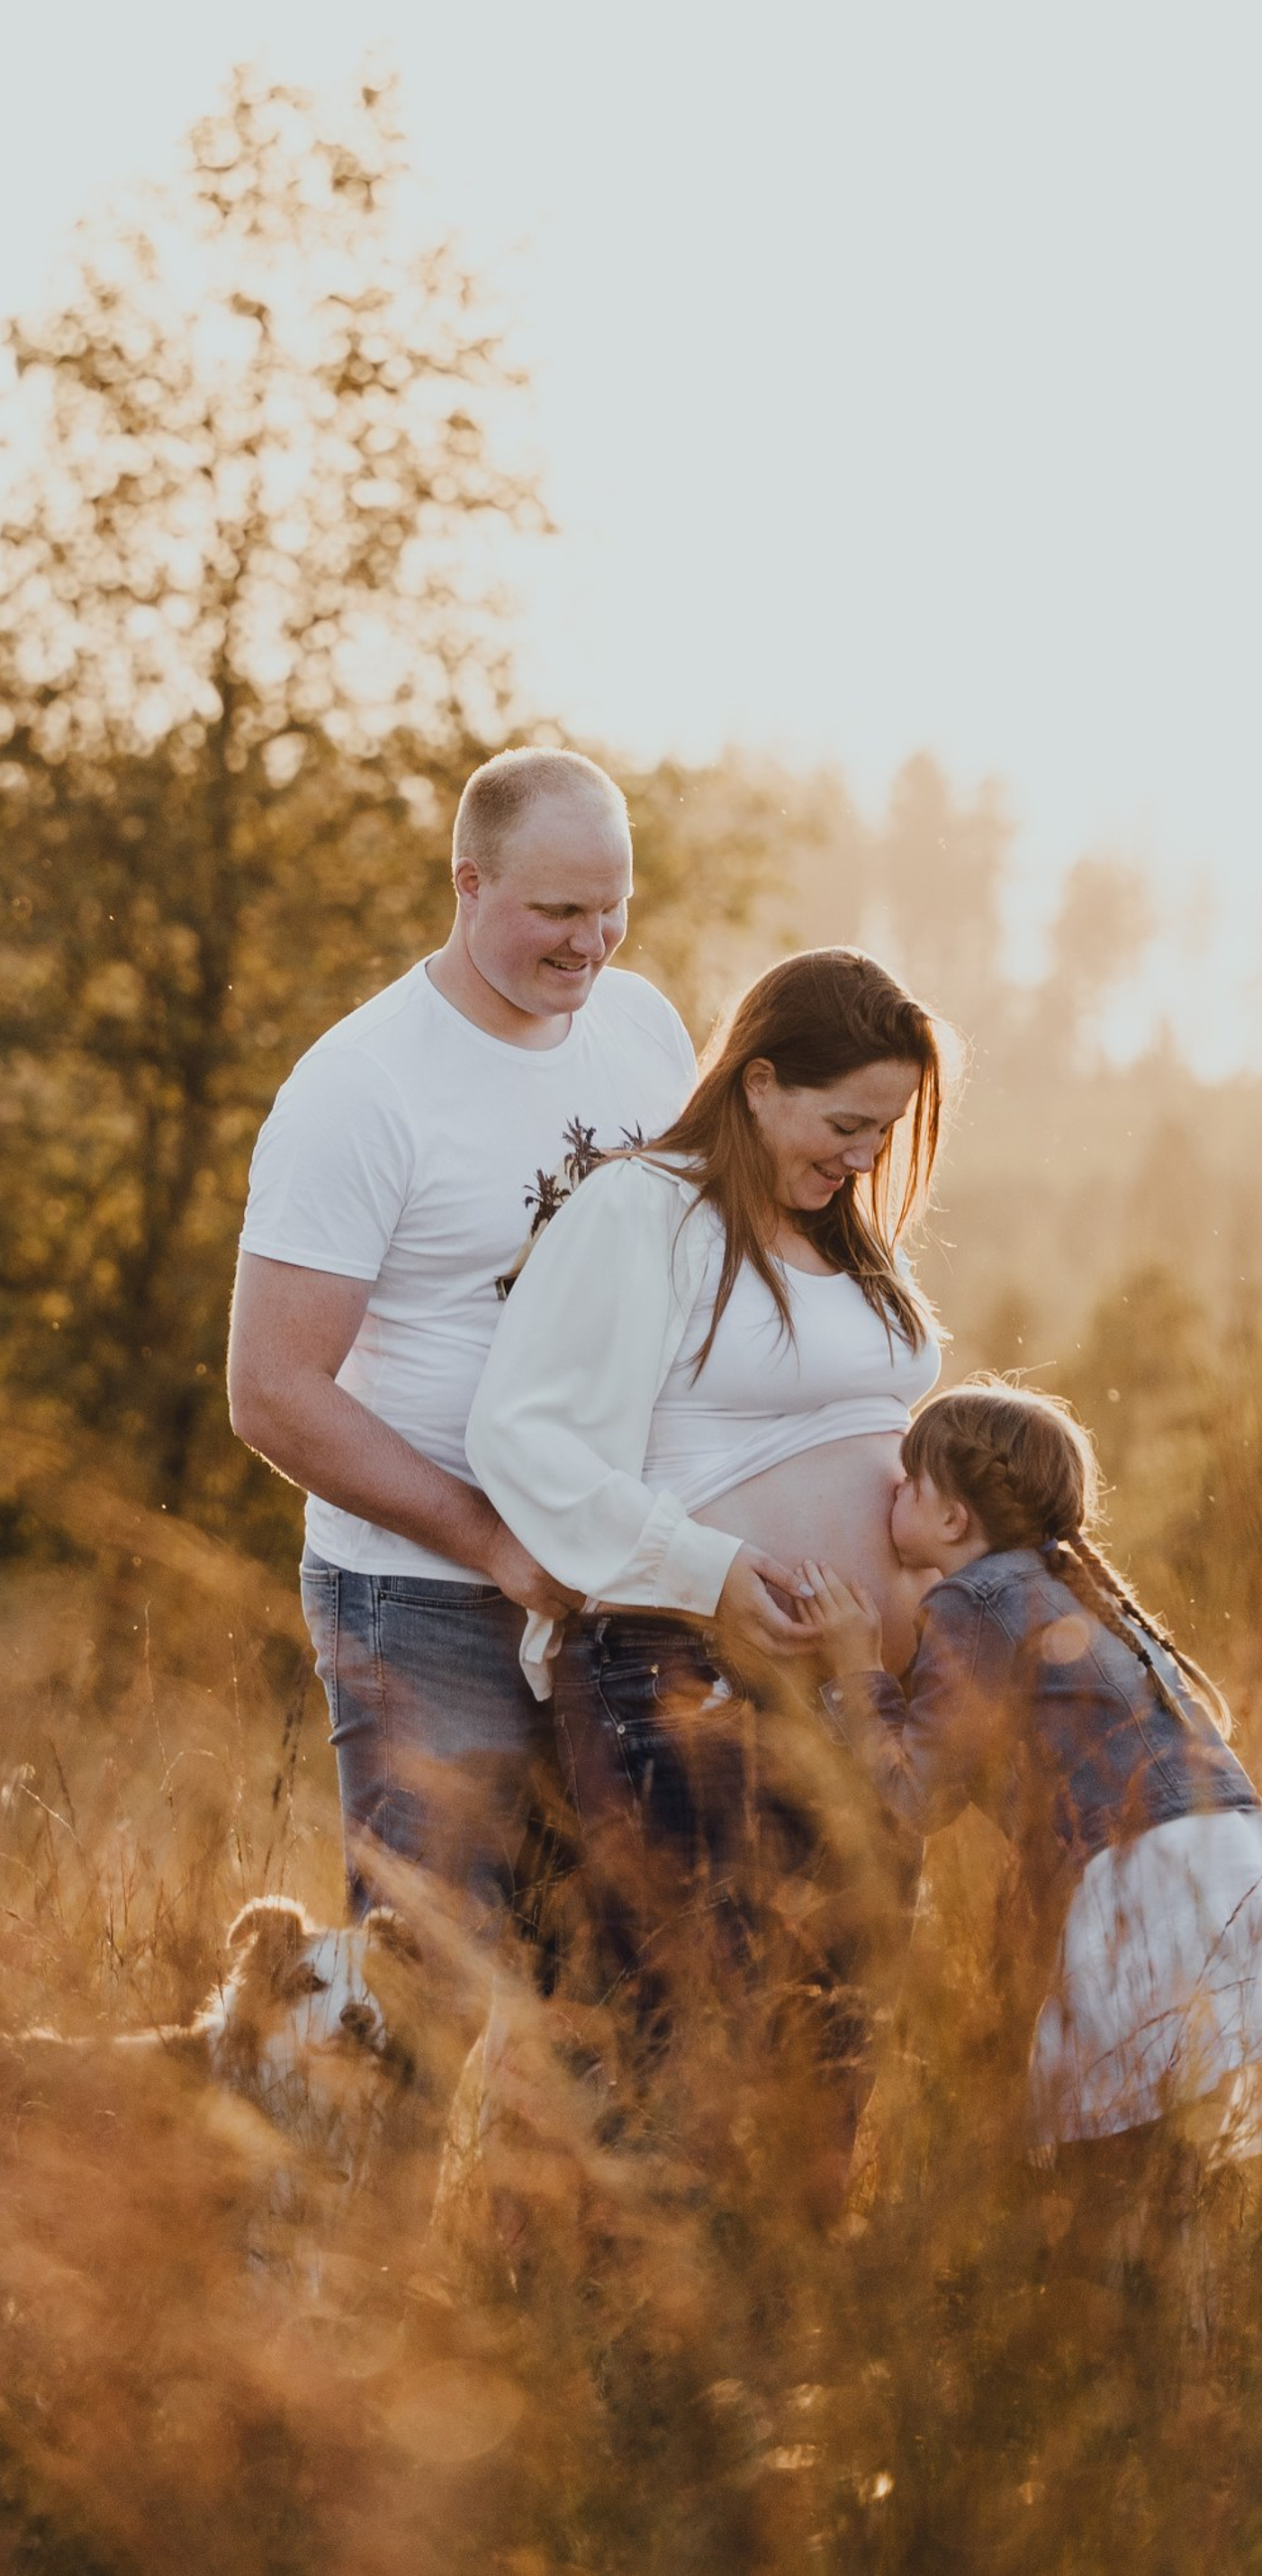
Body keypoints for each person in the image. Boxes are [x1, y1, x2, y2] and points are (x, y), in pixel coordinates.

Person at [462, 948, 947, 2108]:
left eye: (886, 1131)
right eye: (846, 1123)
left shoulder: (842, 1244)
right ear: (758, 1080)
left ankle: (781, 2295)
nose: (867, 1156)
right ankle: (625, 2292)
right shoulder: (645, 1207)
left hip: (854, 1698)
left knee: (831, 2044)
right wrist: (713, 1573)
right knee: (685, 2044)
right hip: (682, 1676)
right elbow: (521, 1433)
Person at [228, 746, 698, 1931]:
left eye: (613, 907)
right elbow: (274, 1391)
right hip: (426, 1599)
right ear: (468, 883)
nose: (592, 943)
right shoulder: (363, 1088)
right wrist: (489, 1537)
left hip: (620, 1591)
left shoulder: (642, 1028)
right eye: (557, 911)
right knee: (426, 1992)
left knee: (599, 1997)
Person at [803, 1383, 1262, 2174]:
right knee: (1174, 2178)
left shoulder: (973, 1600)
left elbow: (917, 1795)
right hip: (1226, 1862)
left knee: (1113, 2183)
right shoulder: (1053, 1586)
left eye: (910, 1482)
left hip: (1146, 1882)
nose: (894, 1490)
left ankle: (1123, 2301)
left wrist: (853, 1666)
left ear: (953, 1521)